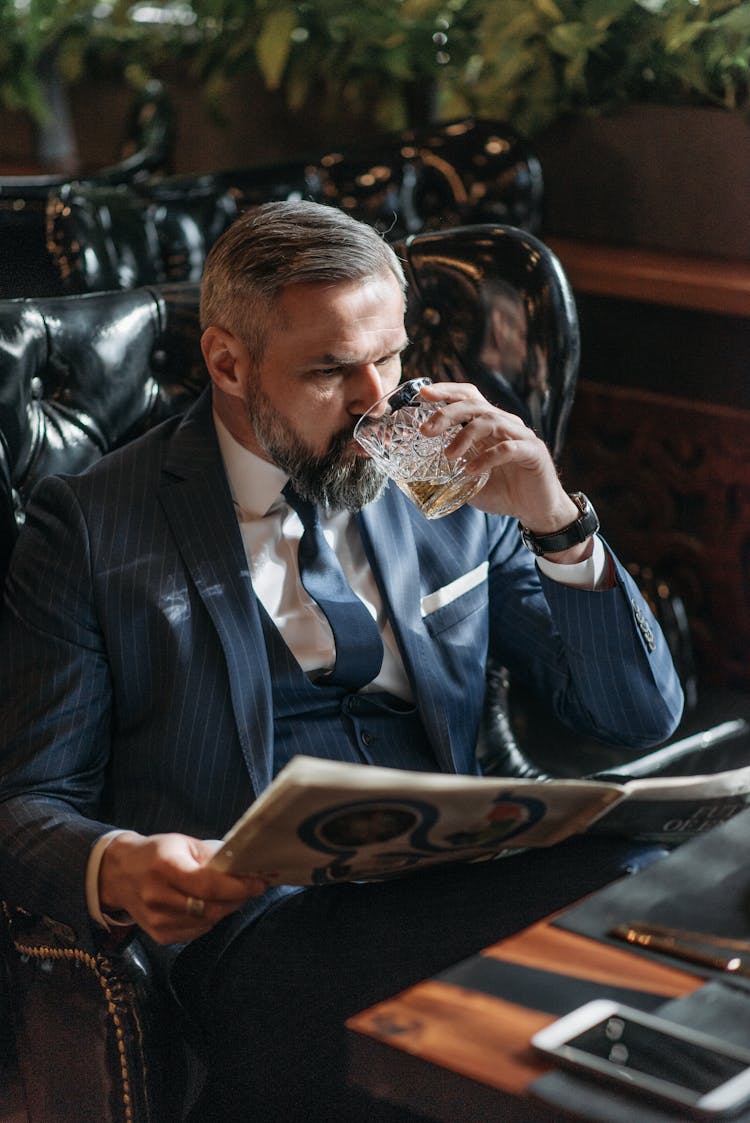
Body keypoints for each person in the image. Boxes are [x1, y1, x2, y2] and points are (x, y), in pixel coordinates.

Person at [0, 201, 683, 1122]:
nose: (376, 400)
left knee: (641, 877)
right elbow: (25, 803)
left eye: (391, 355)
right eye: (328, 369)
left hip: (450, 877)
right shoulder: (90, 525)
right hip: (260, 929)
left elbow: (634, 718)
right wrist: (119, 863)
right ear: (228, 362)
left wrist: (556, 521)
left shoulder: (439, 463)